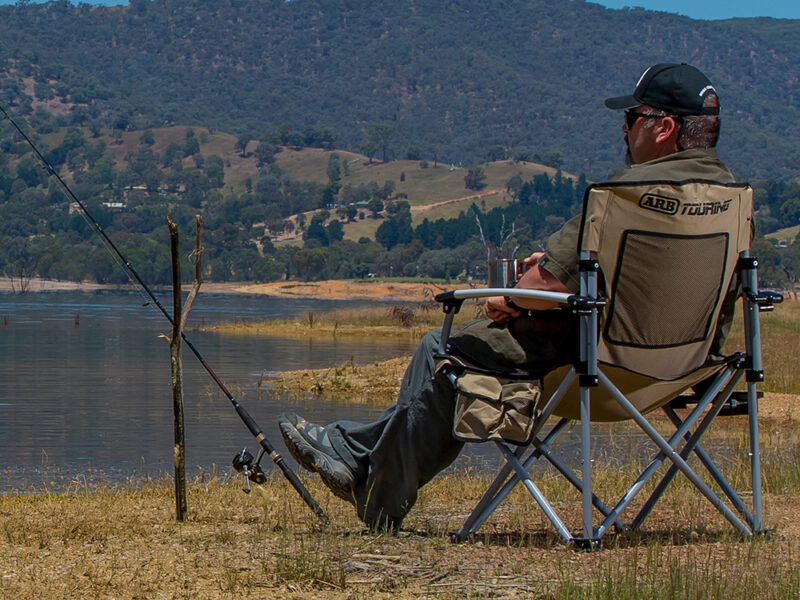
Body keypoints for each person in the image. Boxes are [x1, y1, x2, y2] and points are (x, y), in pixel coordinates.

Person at [279, 63, 735, 530]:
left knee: (443, 350)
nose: (623, 129)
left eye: (633, 118)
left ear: (664, 127)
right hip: (680, 375)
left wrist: (514, 300)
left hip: (594, 373)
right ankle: (358, 459)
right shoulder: (733, 202)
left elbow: (544, 287)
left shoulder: (624, 198)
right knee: (453, 353)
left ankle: (370, 481)